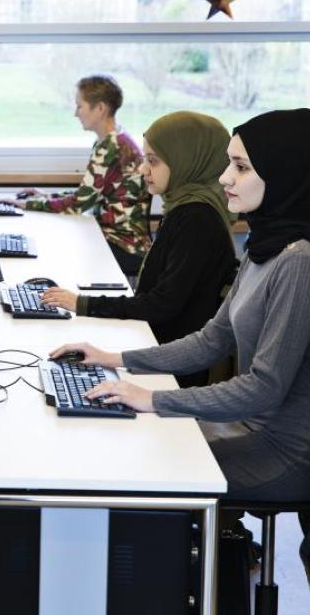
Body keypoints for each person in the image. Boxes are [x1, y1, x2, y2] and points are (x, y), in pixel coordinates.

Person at [51, 108, 310, 560]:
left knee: (138, 463)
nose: (225, 177)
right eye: (229, 163)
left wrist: (153, 399)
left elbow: (265, 388)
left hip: (283, 452)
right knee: (127, 440)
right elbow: (213, 339)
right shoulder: (264, 245)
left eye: (242, 167)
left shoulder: (298, 261)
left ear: (287, 174)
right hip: (244, 428)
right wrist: (115, 358)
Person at [41, 111, 237, 387]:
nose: (143, 169)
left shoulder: (196, 218)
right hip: (155, 348)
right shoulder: (184, 207)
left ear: (185, 160)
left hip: (170, 369)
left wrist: (82, 304)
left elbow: (161, 304)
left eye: (153, 161)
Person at [2, 75, 151, 276]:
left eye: (80, 106)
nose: (75, 113)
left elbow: (79, 204)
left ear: (100, 108)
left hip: (124, 246)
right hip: (115, 238)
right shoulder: (114, 140)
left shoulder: (111, 146)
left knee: (54, 251)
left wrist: (27, 204)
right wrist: (44, 196)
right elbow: (87, 194)